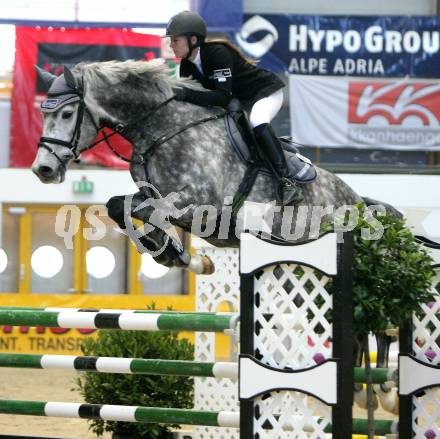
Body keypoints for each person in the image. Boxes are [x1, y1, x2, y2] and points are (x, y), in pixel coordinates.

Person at [163, 10, 300, 205]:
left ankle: (287, 183)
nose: (171, 44)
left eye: (175, 40)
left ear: (193, 39)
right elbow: (199, 102)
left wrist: (184, 94)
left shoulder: (217, 53)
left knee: (258, 121)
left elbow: (221, 96)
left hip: (264, 92)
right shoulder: (186, 66)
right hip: (239, 101)